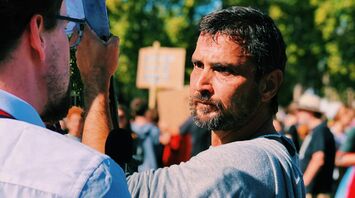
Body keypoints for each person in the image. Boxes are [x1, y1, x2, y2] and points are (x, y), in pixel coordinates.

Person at [83, 6, 305, 197]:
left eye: (223, 70)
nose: (201, 84)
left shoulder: (244, 162)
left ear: (269, 85)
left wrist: (96, 77)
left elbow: (103, 189)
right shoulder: (275, 153)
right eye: (198, 65)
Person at [0, 0, 130, 197]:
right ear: (38, 34)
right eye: (67, 29)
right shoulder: (88, 180)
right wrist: (97, 78)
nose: (71, 46)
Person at [296, 93, 336, 198]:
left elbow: (318, 160)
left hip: (316, 193)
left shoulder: (320, 130)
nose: (297, 113)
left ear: (309, 112)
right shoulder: (315, 131)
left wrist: (302, 186)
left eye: (300, 110)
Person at [130, 98, 161, 171]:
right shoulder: (154, 130)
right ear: (146, 111)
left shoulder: (129, 129)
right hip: (151, 170)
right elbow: (158, 151)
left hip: (134, 171)